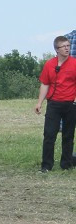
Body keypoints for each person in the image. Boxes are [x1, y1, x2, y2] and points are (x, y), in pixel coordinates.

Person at [35, 35, 76, 173]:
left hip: (70, 104)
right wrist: (39, 102)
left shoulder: (74, 63)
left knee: (68, 135)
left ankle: (66, 164)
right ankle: (46, 165)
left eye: (68, 46)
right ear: (56, 49)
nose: (67, 48)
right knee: (49, 135)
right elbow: (45, 84)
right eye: (63, 46)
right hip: (53, 104)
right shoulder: (49, 64)